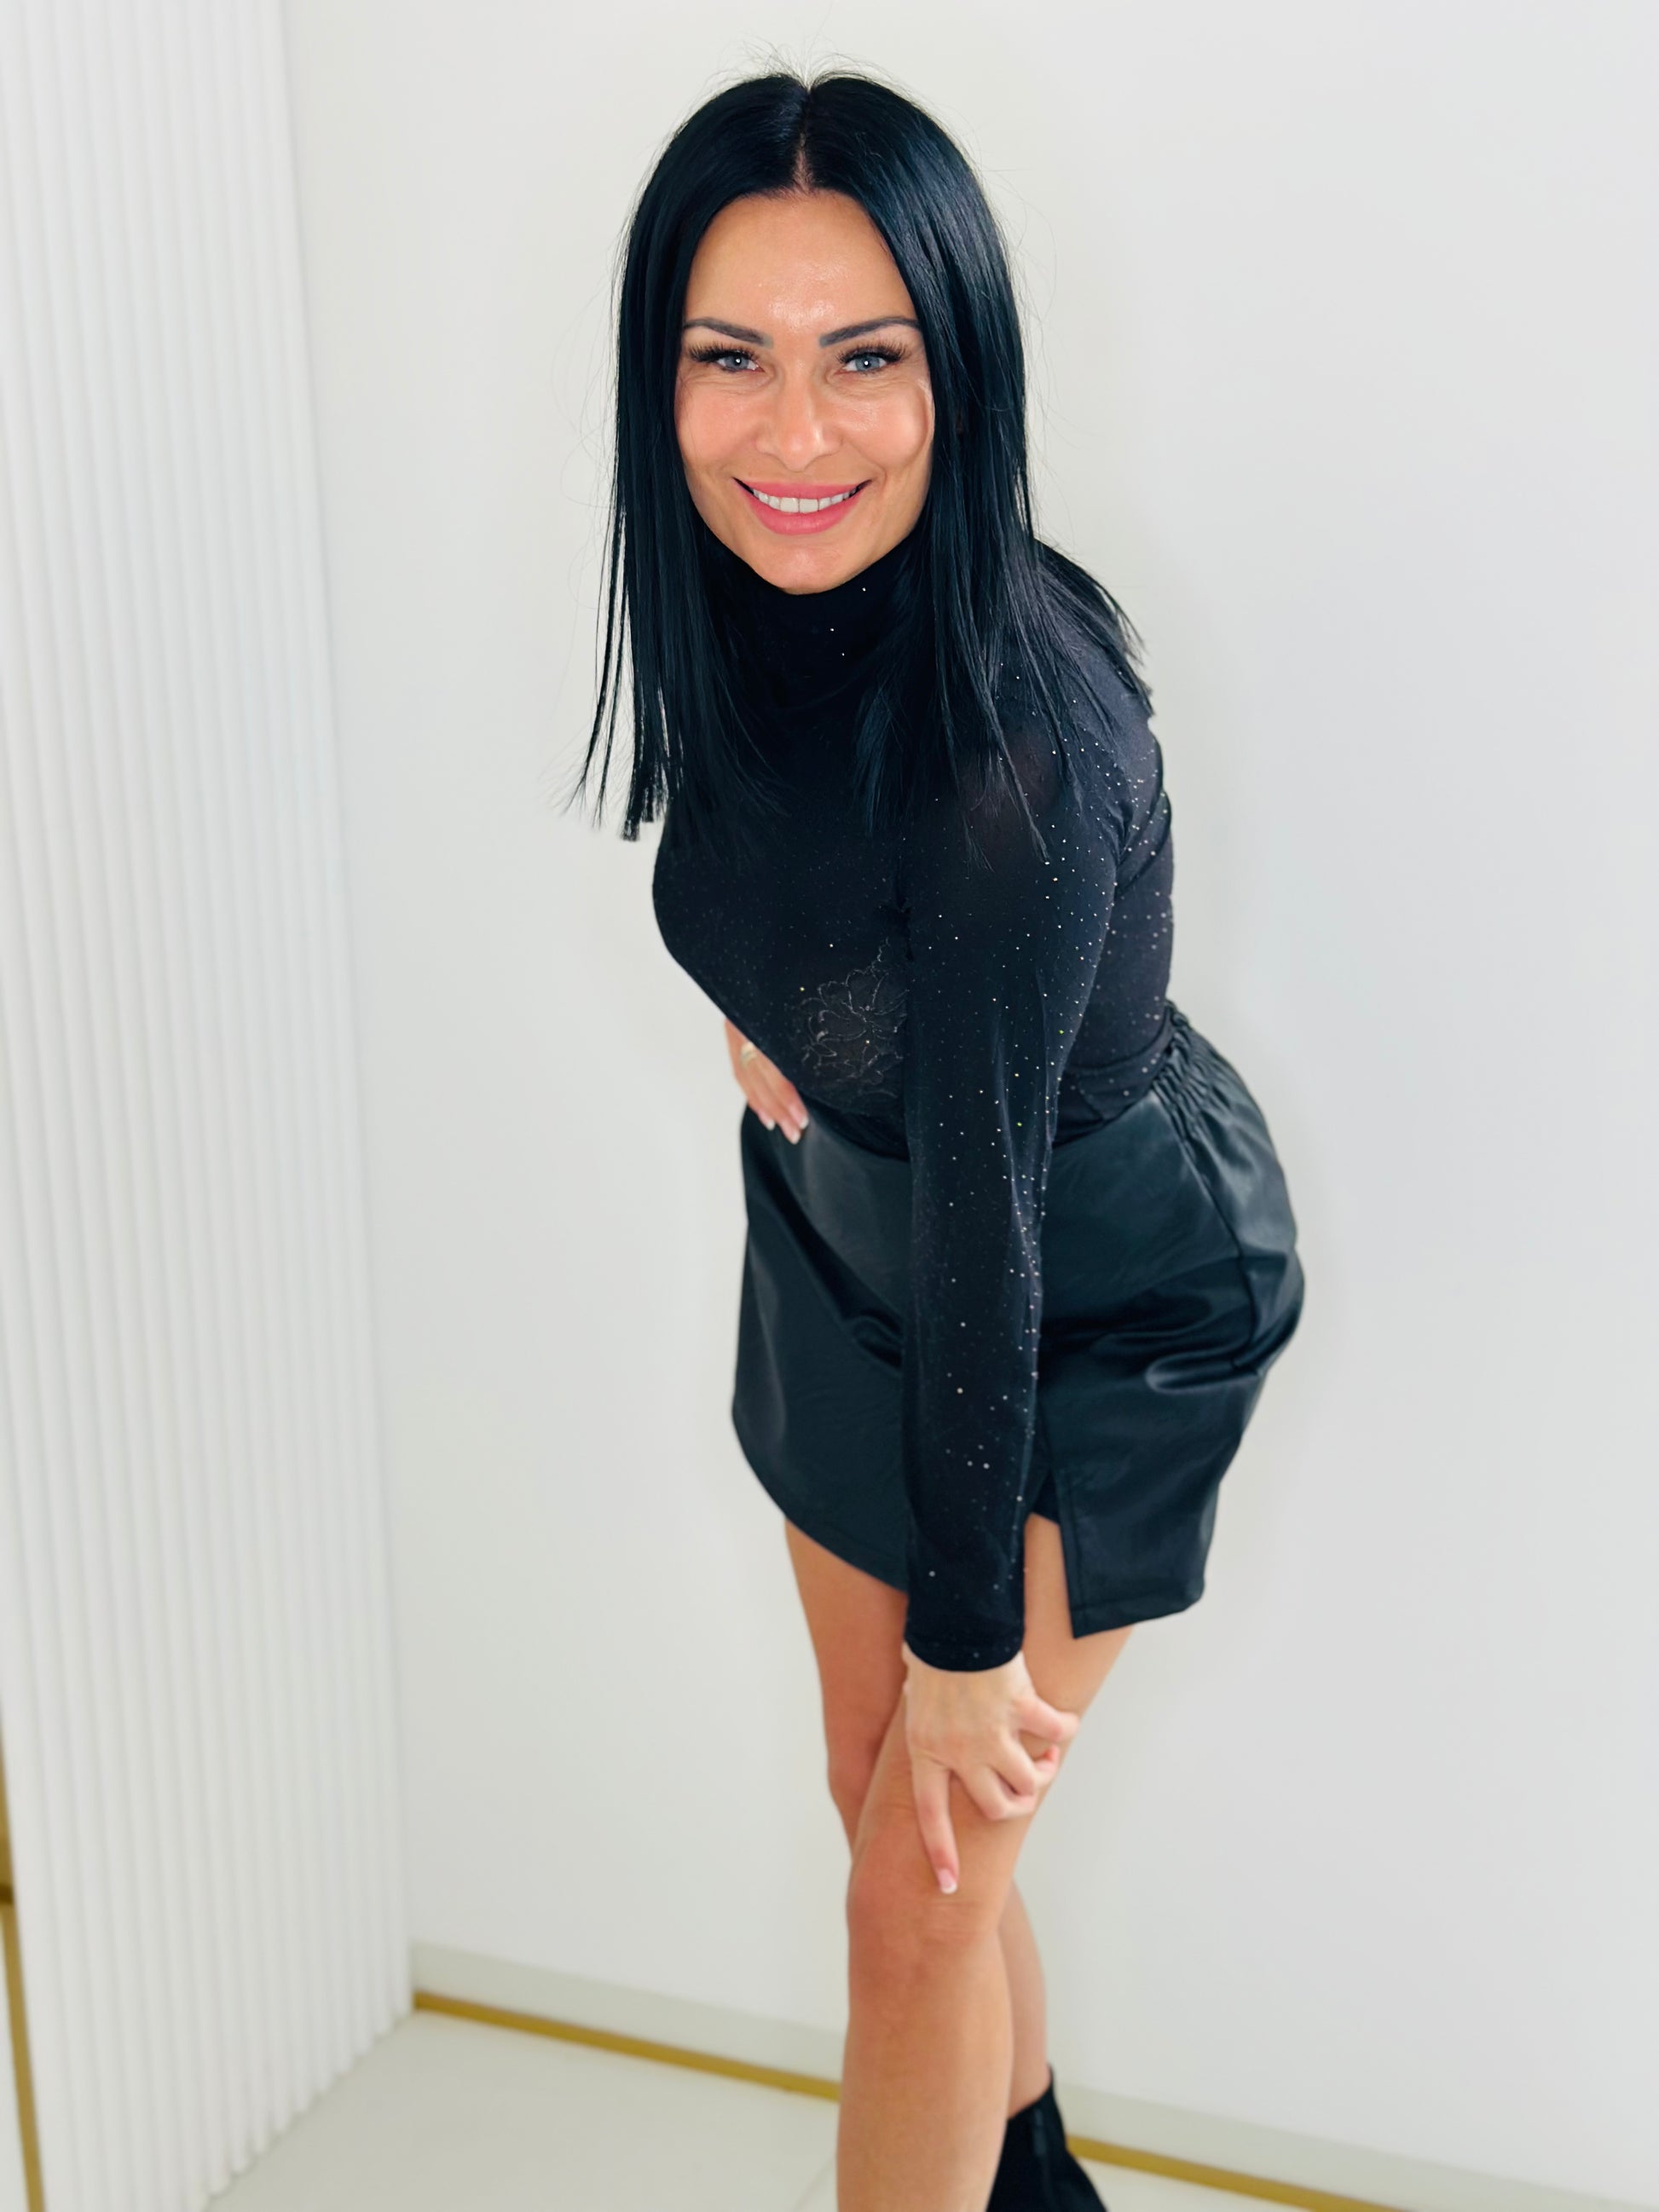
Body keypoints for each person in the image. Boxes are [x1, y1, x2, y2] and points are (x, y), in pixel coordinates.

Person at [565, 67, 1305, 2212]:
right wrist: (782, 1011)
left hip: (1095, 1290)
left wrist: (973, 1646)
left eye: (864, 358)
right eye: (731, 357)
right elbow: (778, 871)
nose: (793, 432)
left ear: (956, 372)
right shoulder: (748, 594)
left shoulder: (1022, 744)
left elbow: (996, 1209)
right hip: (850, 1233)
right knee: (874, 1799)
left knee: (917, 1888)